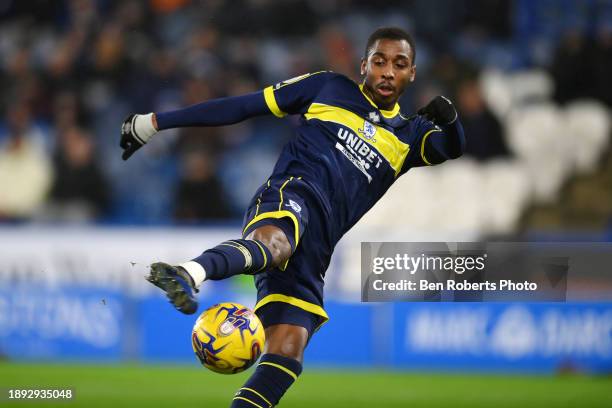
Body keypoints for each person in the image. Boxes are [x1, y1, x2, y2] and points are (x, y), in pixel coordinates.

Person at [120, 27, 465, 407]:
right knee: (276, 244)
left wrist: (449, 118)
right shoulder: (327, 87)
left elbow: (452, 147)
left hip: (318, 249)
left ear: (411, 73)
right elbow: (243, 107)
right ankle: (188, 273)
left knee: (287, 351)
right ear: (363, 65)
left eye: (399, 64)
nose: (387, 72)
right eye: (379, 61)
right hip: (291, 196)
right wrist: (156, 122)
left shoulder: (407, 136)